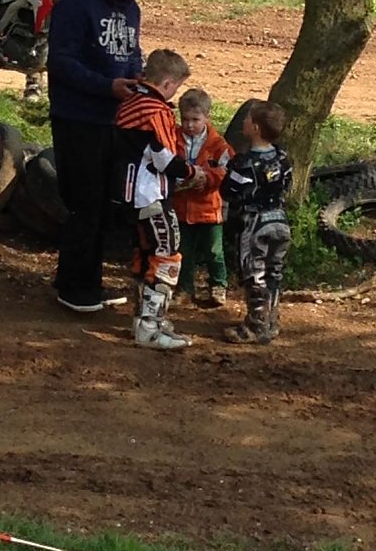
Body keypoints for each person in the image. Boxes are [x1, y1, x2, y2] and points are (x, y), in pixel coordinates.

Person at [47, 0, 152, 313]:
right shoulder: (76, 6)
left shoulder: (132, 10)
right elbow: (61, 62)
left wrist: (141, 83)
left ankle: (87, 283)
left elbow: (130, 54)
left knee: (105, 206)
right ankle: (74, 288)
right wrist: (107, 87)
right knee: (85, 204)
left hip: (114, 119)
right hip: (78, 118)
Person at [115, 50, 206, 350]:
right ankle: (150, 327)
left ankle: (142, 319)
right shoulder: (156, 111)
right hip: (151, 194)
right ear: (168, 83)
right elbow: (165, 158)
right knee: (167, 255)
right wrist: (194, 172)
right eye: (176, 87)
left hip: (129, 195)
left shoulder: (130, 102)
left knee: (145, 255)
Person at [221, 99, 293, 344]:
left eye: (248, 120)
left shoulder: (243, 164)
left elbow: (228, 191)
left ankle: (256, 325)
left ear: (256, 129)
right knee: (274, 271)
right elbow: (287, 184)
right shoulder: (283, 157)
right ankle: (272, 320)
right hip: (280, 220)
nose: (243, 122)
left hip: (254, 223)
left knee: (255, 274)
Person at [172, 88, 234, 306]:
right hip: (181, 208)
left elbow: (227, 170)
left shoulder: (218, 145)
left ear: (207, 117)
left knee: (214, 251)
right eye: (185, 119)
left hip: (209, 208)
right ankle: (184, 288)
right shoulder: (173, 138)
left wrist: (207, 179)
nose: (189, 125)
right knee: (183, 251)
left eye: (195, 120)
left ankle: (218, 285)